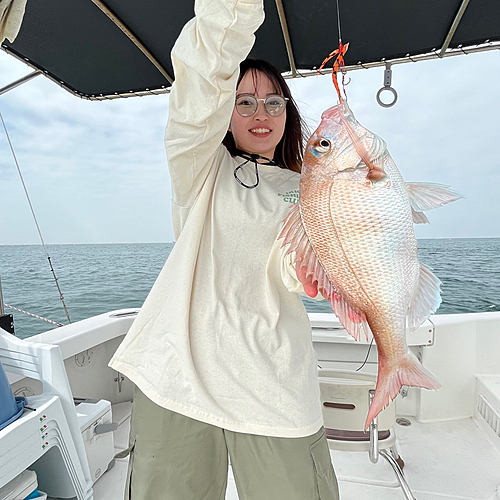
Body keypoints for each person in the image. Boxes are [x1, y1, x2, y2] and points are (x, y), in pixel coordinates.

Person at [109, 0, 339, 498]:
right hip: (176, 378)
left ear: (288, 113)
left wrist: (313, 272)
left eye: (274, 102)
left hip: (274, 382)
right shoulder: (201, 168)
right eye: (245, 101)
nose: (262, 113)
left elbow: (297, 265)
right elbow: (202, 78)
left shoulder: (310, 188)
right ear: (223, 115)